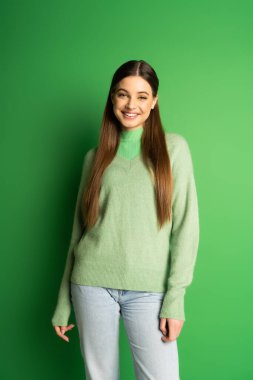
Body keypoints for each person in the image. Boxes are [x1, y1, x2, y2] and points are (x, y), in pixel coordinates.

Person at [51, 59, 200, 380]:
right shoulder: (94, 157)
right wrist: (64, 301)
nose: (131, 104)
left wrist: (175, 300)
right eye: (122, 94)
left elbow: (187, 228)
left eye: (142, 96)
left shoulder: (174, 149)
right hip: (91, 284)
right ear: (112, 98)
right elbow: (78, 233)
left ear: (154, 102)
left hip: (150, 290)